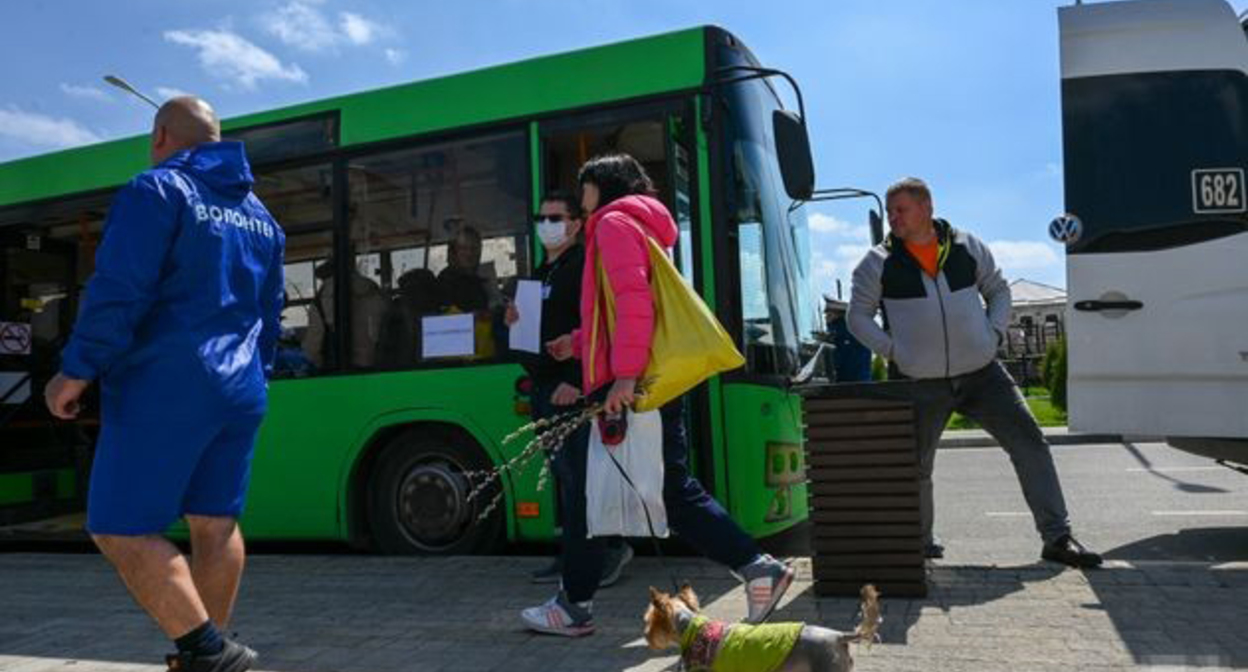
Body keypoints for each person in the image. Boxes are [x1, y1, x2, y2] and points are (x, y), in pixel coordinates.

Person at [43, 96, 284, 672]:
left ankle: (208, 651)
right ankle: (206, 658)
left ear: (159, 136)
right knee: (215, 522)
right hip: (241, 387)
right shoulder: (262, 218)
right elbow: (269, 314)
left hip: (167, 383)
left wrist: (77, 368)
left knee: (118, 527)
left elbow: (120, 289)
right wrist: (257, 374)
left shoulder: (155, 190)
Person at [523, 153, 794, 638]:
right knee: (644, 489)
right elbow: (623, 309)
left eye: (585, 187)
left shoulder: (612, 224)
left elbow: (635, 304)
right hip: (645, 381)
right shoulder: (644, 225)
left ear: (603, 185)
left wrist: (624, 377)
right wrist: (579, 343)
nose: (582, 199)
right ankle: (754, 568)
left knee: (615, 492)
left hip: (631, 387)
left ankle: (575, 606)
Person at [847, 177, 1101, 568]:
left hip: (983, 373)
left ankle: (1057, 538)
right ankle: (921, 544)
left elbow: (998, 290)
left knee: (1031, 445)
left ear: (926, 208)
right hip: (919, 381)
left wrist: (994, 332)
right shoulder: (876, 262)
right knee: (915, 465)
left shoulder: (967, 246)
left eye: (901, 210)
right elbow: (857, 317)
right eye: (890, 211)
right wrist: (895, 351)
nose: (892, 218)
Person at [503, 190, 633, 588]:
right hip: (543, 388)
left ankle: (608, 551)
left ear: (576, 224)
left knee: (583, 478)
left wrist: (577, 381)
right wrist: (510, 323)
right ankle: (573, 557)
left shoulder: (584, 268)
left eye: (555, 218)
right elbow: (525, 338)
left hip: (574, 389)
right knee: (566, 477)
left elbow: (598, 330)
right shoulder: (538, 275)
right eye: (541, 218)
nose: (547, 226)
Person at [302, 260, 389, 369]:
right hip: (379, 364)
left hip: (341, 367)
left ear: (325, 277)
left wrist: (318, 365)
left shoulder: (321, 300)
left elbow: (313, 344)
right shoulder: (375, 291)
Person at [825, 299, 872, 382]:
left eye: (829, 315)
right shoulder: (857, 331)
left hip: (850, 384)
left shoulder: (842, 334)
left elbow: (839, 361)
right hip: (860, 383)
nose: (826, 318)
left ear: (839, 315)